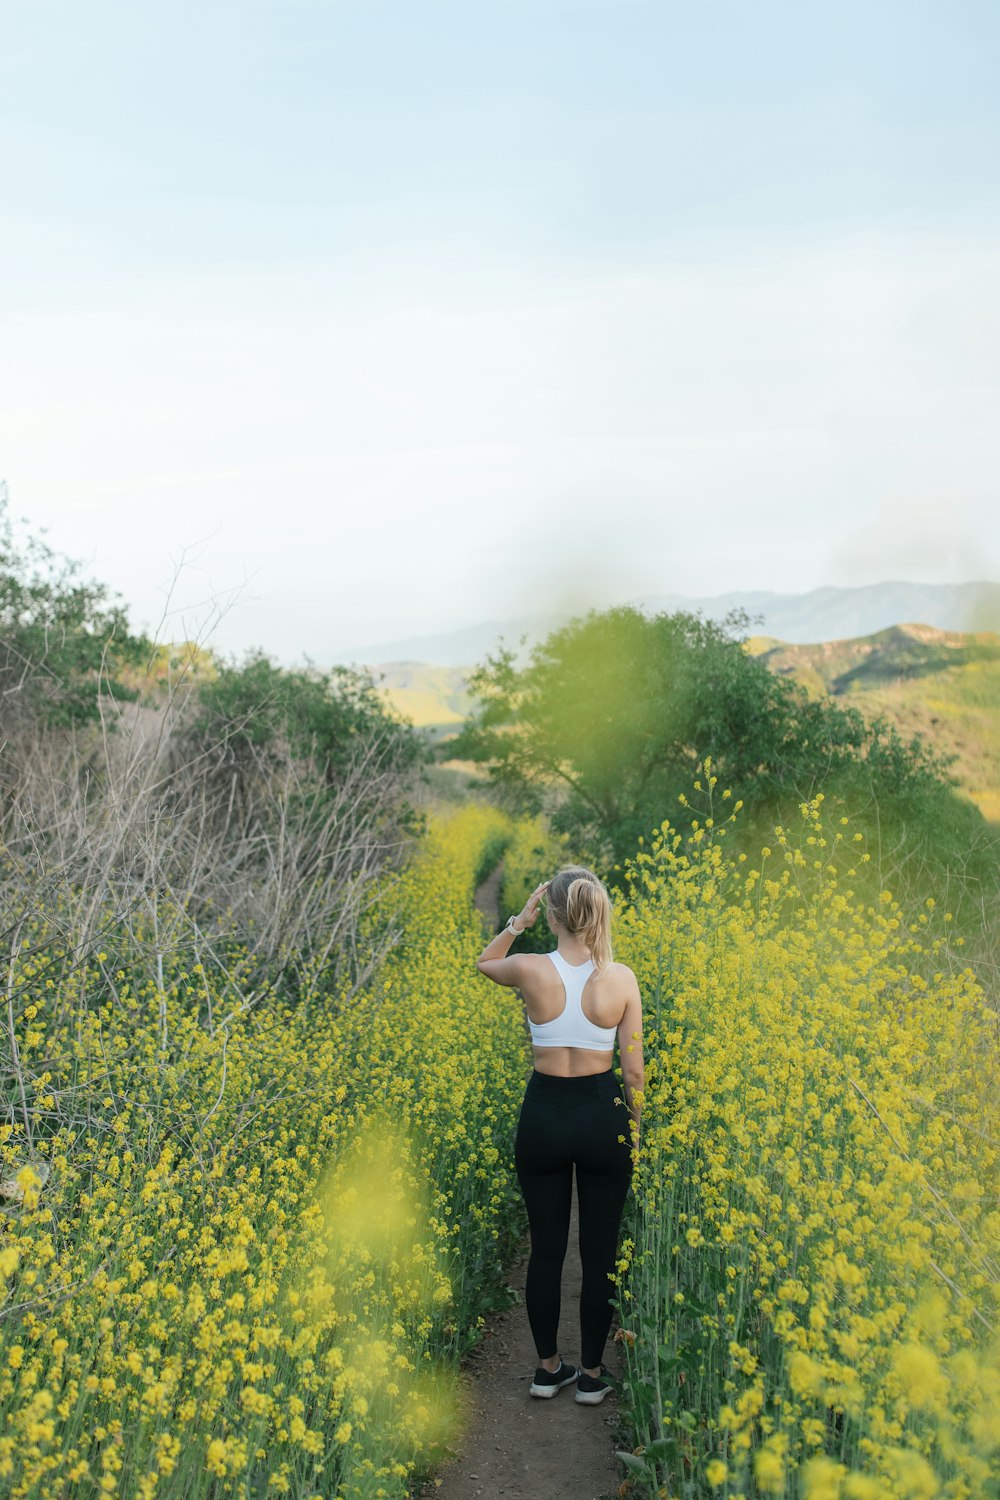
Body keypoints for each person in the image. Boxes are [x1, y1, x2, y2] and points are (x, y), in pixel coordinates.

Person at [476, 864, 644, 1404]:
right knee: (599, 1252)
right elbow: (634, 1070)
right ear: (596, 913)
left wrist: (516, 921)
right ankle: (593, 1376)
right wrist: (634, 1129)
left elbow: (485, 962)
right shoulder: (619, 978)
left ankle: (548, 1369)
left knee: (547, 1250)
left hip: (544, 1115)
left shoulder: (529, 968)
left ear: (551, 915)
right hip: (602, 1115)